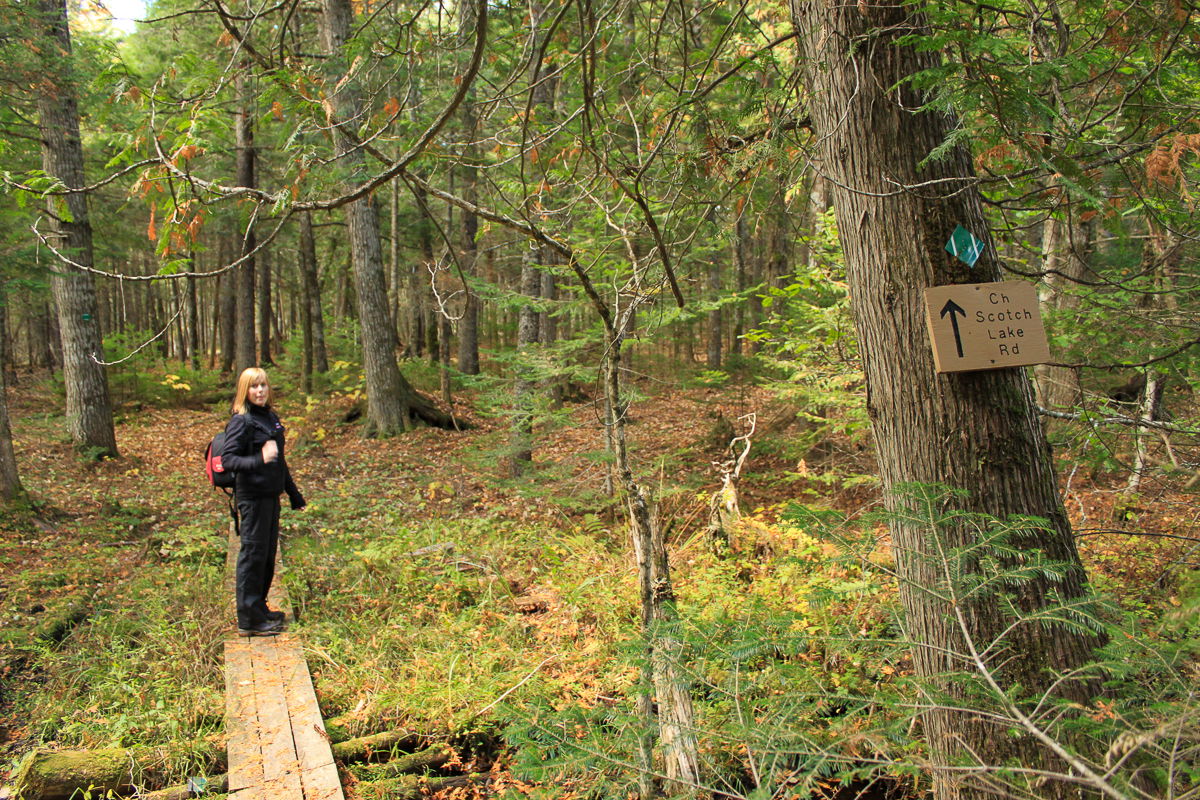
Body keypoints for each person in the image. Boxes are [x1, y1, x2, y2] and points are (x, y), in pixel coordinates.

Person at [220, 367, 306, 636]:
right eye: (254, 386)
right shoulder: (242, 421)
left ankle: (260, 608)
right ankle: (248, 621)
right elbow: (228, 461)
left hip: (270, 497)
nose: (259, 391)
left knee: (267, 556)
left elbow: (280, 461)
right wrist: (259, 458)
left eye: (263, 386)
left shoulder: (269, 417)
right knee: (252, 556)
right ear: (245, 391)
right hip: (252, 499)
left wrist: (294, 494)